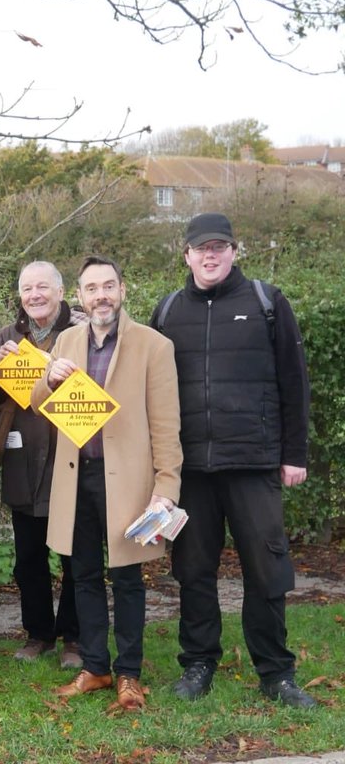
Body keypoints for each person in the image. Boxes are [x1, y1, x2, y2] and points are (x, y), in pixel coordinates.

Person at [150, 213, 316, 708]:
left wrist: (294, 454)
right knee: (193, 570)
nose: (211, 255)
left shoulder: (267, 302)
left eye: (219, 247)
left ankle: (276, 672)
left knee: (266, 570)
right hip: (191, 470)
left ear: (234, 252)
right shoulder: (168, 311)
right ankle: (198, 664)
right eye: (202, 248)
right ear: (186, 255)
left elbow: (294, 381)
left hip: (253, 463)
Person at [31, 256, 182, 712]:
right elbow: (38, 404)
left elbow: (166, 424)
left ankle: (129, 673)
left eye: (108, 286)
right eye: (92, 288)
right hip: (76, 477)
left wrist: (166, 486)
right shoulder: (66, 340)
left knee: (128, 577)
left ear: (122, 290)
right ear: (79, 296)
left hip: (129, 482)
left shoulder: (153, 345)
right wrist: (49, 378)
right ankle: (95, 667)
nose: (101, 296)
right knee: (83, 575)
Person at [0, 262, 81, 669]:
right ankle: (38, 634)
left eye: (43, 287)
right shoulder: (6, 338)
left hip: (71, 457)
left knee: (76, 556)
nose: (35, 295)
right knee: (28, 558)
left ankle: (74, 637)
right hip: (22, 461)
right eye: (27, 289)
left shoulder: (82, 333)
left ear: (61, 291)